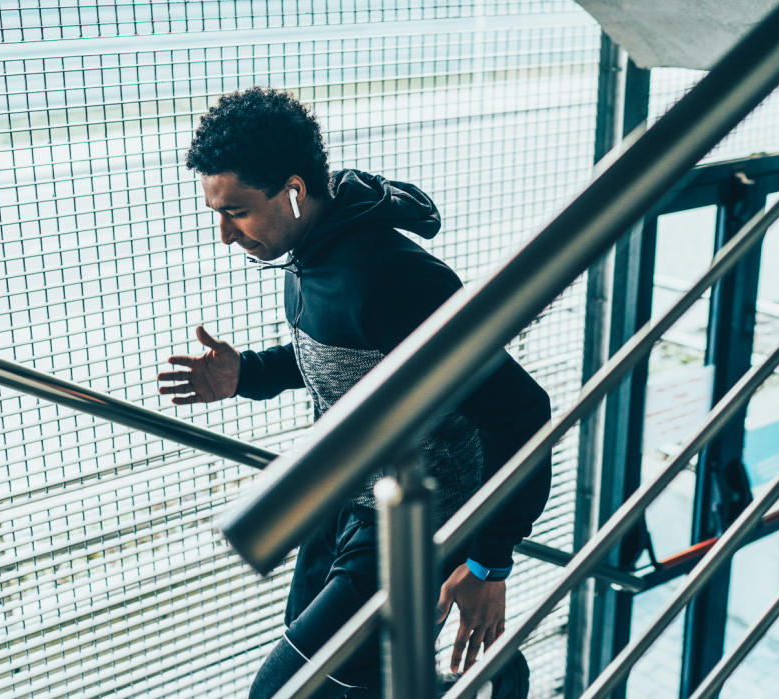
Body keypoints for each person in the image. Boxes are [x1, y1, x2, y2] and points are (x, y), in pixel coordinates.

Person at [158, 86, 550, 698]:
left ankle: (500, 679)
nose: (224, 235)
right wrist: (248, 375)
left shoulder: (395, 278)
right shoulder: (308, 248)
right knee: (344, 675)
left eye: (234, 211)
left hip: (415, 518)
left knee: (286, 691)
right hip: (344, 500)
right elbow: (355, 361)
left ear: (292, 190)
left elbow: (521, 411)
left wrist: (488, 559)